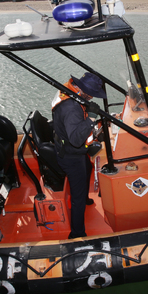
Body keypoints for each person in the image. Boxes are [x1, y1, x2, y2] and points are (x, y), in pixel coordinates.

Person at [52, 73, 106, 239]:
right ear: (84, 92)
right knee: (77, 197)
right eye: (91, 95)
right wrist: (90, 118)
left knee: (88, 167)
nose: (91, 98)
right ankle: (77, 233)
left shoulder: (68, 90)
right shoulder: (72, 109)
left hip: (69, 146)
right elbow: (76, 139)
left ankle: (86, 198)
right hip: (70, 155)